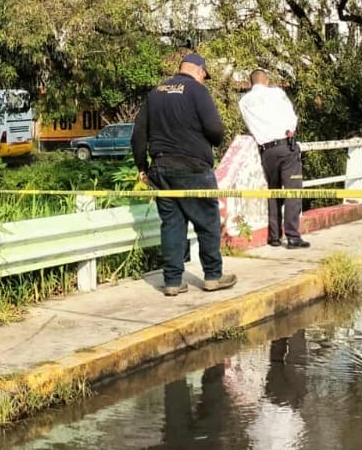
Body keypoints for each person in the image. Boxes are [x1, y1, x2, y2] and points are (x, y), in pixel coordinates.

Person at [132, 52, 236, 297]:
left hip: (161, 169)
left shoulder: (155, 93)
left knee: (172, 225)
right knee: (208, 221)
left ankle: (172, 282)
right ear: (199, 70)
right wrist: (216, 139)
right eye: (204, 75)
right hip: (194, 168)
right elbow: (214, 128)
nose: (204, 79)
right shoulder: (198, 91)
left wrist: (142, 168)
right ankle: (213, 276)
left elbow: (138, 135)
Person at [238, 69, 308, 249]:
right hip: (286, 146)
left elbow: (249, 124)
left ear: (250, 83)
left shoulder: (244, 101)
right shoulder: (277, 93)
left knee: (273, 192)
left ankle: (274, 236)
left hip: (266, 151)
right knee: (293, 191)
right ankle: (293, 236)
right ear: (266, 80)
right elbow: (291, 118)